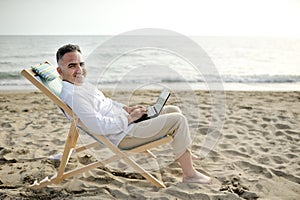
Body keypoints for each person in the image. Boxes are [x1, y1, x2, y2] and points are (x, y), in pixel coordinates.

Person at [56, 44, 211, 184]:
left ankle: (184, 152)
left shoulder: (80, 84)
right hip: (123, 135)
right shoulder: (74, 95)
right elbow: (99, 125)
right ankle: (189, 174)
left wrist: (127, 109)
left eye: (81, 64)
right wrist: (130, 118)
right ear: (60, 71)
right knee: (178, 120)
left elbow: (107, 103)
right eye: (72, 66)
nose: (79, 69)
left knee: (173, 110)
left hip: (125, 123)